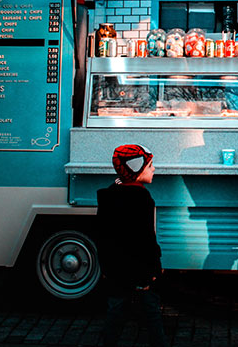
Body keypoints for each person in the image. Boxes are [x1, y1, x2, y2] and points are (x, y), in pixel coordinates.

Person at [96, 144, 168, 347]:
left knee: (115, 313)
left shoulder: (111, 194)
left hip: (116, 271)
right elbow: (145, 239)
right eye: (150, 165)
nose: (154, 169)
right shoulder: (142, 199)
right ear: (136, 169)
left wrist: (107, 269)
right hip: (139, 272)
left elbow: (102, 236)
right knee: (152, 314)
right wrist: (153, 270)